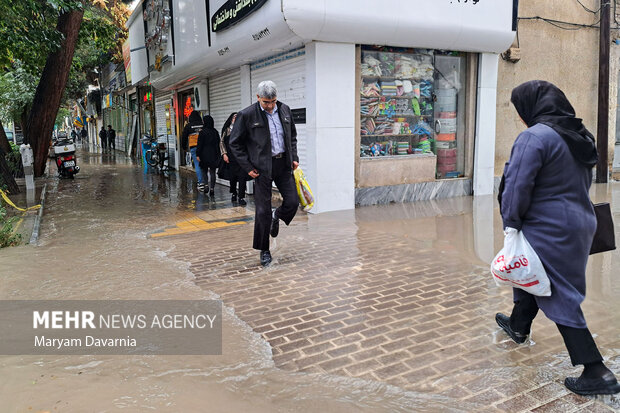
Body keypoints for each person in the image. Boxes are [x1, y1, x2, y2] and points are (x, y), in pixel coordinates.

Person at [496, 80, 619, 396]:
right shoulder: (579, 136)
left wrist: (511, 224)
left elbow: (516, 186)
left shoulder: (534, 137)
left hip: (546, 227)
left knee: (559, 294)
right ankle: (518, 325)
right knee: (534, 275)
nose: (521, 118)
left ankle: (596, 371)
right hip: (580, 222)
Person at [229, 80, 299, 267]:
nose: (270, 106)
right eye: (266, 102)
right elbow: (234, 143)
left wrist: (294, 156)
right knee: (262, 211)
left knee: (293, 201)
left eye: (273, 101)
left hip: (283, 164)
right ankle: (264, 250)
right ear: (258, 97)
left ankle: (278, 216)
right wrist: (247, 166)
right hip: (261, 169)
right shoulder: (247, 115)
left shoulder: (285, 110)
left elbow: (292, 135)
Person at [220, 112, 248, 206]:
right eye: (234, 117)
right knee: (233, 177)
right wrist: (224, 154)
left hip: (242, 157)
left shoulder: (243, 129)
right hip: (231, 157)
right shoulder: (227, 130)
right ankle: (234, 192)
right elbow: (222, 142)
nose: (235, 119)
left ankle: (241, 196)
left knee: (242, 177)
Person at [196, 115, 220, 196]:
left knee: (204, 170)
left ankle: (206, 185)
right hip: (214, 154)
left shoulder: (202, 132)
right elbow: (218, 143)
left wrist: (198, 154)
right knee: (213, 171)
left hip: (204, 154)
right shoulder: (215, 132)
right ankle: (212, 188)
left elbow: (199, 144)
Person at [181, 110, 205, 192]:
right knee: (204, 164)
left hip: (194, 147)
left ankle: (201, 183)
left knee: (197, 164)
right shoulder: (203, 124)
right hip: (204, 147)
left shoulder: (188, 126)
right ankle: (206, 182)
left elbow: (184, 137)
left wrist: (183, 147)